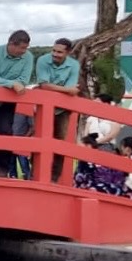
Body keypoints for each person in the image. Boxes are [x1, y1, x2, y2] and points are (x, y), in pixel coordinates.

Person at [0, 30, 34, 178]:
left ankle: (3, 169)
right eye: (21, 48)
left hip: (8, 101)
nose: (24, 51)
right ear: (11, 44)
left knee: (5, 131)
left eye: (25, 48)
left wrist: (10, 85)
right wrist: (11, 84)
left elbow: (23, 80)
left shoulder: (28, 57)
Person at [33, 37, 80, 181]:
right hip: (43, 106)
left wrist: (64, 90)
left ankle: (54, 177)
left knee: (61, 142)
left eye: (59, 52)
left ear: (68, 52)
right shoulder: (43, 60)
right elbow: (44, 85)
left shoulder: (74, 65)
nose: (55, 54)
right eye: (54, 50)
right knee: (38, 140)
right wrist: (66, 90)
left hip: (62, 108)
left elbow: (70, 89)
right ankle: (35, 174)